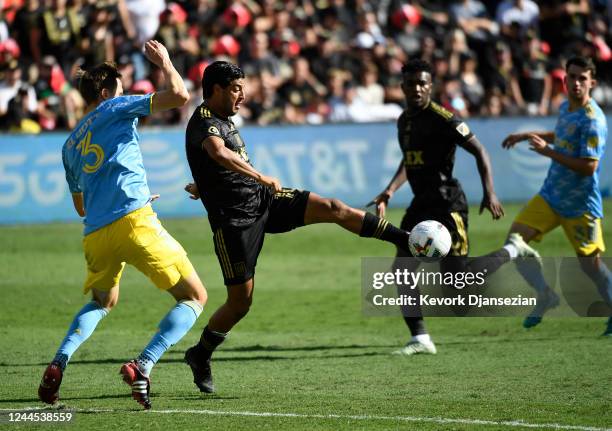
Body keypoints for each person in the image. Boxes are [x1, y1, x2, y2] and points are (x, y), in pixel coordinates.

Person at [183, 61, 411, 393]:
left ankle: (402, 239)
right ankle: (200, 355)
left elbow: (215, 164)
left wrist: (206, 184)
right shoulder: (204, 122)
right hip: (234, 222)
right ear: (216, 89)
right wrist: (260, 175)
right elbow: (218, 154)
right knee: (240, 303)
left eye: (242, 87)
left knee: (333, 207)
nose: (243, 95)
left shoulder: (225, 119)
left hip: (265, 200)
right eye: (236, 89)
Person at [38, 41, 208, 410]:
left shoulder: (69, 144)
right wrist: (164, 61)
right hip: (134, 222)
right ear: (104, 92)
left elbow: (79, 202)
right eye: (118, 84)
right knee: (195, 297)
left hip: (97, 234)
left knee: (103, 300)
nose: (123, 88)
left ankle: (58, 363)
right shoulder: (116, 106)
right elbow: (179, 96)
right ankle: (142, 365)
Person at [370, 58, 540, 356]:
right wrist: (389, 190)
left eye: (422, 83)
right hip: (420, 206)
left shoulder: (444, 119)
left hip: (448, 206)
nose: (417, 89)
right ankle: (420, 338)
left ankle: (513, 249)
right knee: (401, 270)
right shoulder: (404, 120)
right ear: (402, 87)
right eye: (411, 84)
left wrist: (490, 192)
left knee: (458, 295)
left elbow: (480, 151)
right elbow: (410, 160)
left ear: (431, 86)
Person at [502, 56, 612, 335]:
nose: (576, 83)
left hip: (579, 205)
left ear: (592, 83)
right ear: (564, 80)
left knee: (591, 267)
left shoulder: (593, 120)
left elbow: (589, 168)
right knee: (514, 241)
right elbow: (561, 134)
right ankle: (545, 295)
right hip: (551, 196)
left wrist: (547, 152)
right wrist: (526, 134)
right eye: (572, 77)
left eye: (582, 78)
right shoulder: (566, 107)